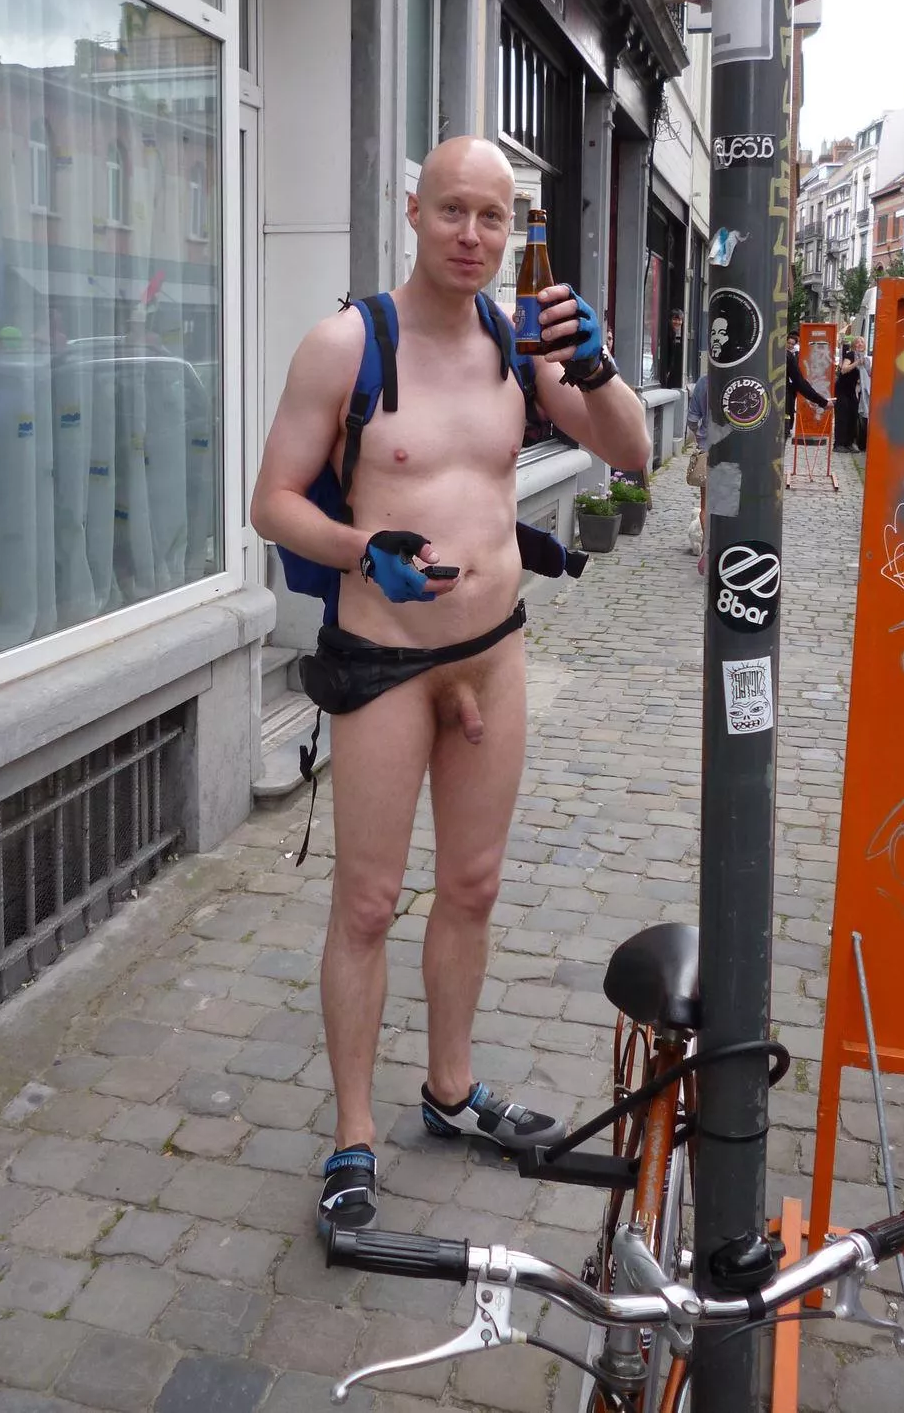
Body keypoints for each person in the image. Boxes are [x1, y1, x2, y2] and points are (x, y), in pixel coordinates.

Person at [250, 136, 650, 1235]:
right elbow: (271, 501)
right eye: (453, 211)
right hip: (385, 664)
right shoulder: (348, 343)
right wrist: (359, 549)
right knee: (367, 903)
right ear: (413, 211)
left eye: (494, 216)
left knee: (471, 886)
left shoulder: (519, 347)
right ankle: (352, 1134)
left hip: (492, 652)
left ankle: (450, 1089)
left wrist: (597, 368)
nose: (473, 235)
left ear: (512, 230)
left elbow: (631, 453)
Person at [785, 329, 830, 439]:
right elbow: (800, 382)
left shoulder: (792, 355)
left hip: (788, 389)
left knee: (789, 408)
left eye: (792, 344)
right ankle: (786, 430)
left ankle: (788, 429)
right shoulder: (788, 356)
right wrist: (822, 402)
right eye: (788, 343)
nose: (790, 345)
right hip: (787, 391)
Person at [685, 371, 708, 575]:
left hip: (708, 449)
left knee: (706, 504)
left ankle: (709, 548)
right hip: (737, 453)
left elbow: (692, 418)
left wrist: (700, 436)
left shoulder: (704, 382)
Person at [833, 344, 861, 451]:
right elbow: (844, 369)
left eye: (862, 342)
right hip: (843, 390)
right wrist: (857, 362)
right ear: (853, 345)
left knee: (853, 416)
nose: (860, 344)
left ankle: (849, 442)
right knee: (842, 416)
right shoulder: (851, 355)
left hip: (852, 391)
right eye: (857, 342)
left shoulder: (865, 358)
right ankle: (839, 444)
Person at [662, 307, 685, 389]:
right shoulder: (667, 334)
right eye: (675, 319)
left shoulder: (674, 334)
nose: (677, 322)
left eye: (679, 320)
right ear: (670, 320)